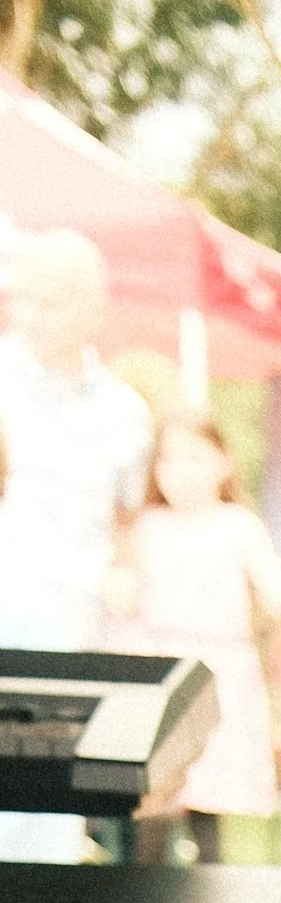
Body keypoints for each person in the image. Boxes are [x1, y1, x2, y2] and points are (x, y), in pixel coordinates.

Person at [0, 228, 153, 860]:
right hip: (6, 627)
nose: (30, 314)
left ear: (94, 308)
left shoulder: (125, 414)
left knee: (49, 833)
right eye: (22, 297)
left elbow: (127, 522)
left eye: (50, 301)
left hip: (74, 643)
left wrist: (125, 575)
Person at [107, 410, 281, 859]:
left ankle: (207, 897)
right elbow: (124, 596)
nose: (180, 472)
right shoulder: (147, 528)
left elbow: (277, 589)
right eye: (169, 460)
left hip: (218, 679)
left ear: (223, 463)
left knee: (208, 810)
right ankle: (146, 900)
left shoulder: (237, 526)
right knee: (155, 807)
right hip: (161, 678)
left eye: (194, 458)